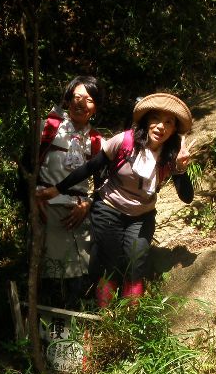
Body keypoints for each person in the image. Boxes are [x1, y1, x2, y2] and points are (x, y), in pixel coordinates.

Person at [37, 93, 195, 307]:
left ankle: (130, 319)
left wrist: (181, 169)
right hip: (109, 208)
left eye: (169, 122)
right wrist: (57, 189)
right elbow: (90, 167)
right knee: (110, 262)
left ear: (174, 129)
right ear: (146, 120)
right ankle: (106, 317)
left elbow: (186, 197)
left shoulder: (171, 154)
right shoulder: (125, 141)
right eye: (156, 119)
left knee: (135, 263)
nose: (161, 127)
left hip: (142, 215)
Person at [35, 76, 105, 309]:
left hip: (79, 214)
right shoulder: (47, 128)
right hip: (47, 210)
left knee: (80, 275)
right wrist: (33, 200)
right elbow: (26, 169)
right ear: (67, 99)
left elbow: (101, 183)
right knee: (50, 275)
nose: (82, 103)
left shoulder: (96, 140)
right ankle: (47, 336)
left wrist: (88, 205)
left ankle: (77, 334)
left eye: (89, 99)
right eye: (77, 97)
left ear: (96, 107)